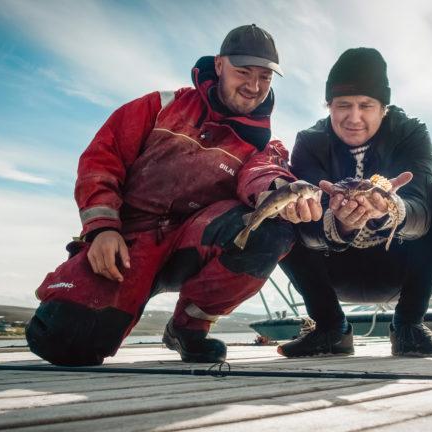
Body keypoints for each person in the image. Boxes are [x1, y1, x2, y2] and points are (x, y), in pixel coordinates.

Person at [26, 24, 322, 366]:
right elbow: (101, 160)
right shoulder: (159, 106)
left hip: (194, 243)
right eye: (243, 72)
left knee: (271, 230)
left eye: (265, 78)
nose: (254, 86)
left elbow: (265, 174)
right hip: (125, 243)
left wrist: (281, 193)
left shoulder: (263, 145)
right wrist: (102, 228)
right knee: (60, 342)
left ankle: (189, 326)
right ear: (220, 65)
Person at [277, 47, 432, 358]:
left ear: (384, 107)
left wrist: (390, 210)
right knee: (281, 202)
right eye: (343, 105)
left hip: (399, 265)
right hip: (332, 269)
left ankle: (409, 326)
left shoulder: (410, 132)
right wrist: (339, 223)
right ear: (328, 105)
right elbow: (307, 233)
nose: (354, 118)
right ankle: (330, 328)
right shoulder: (309, 141)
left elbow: (421, 216)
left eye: (366, 105)